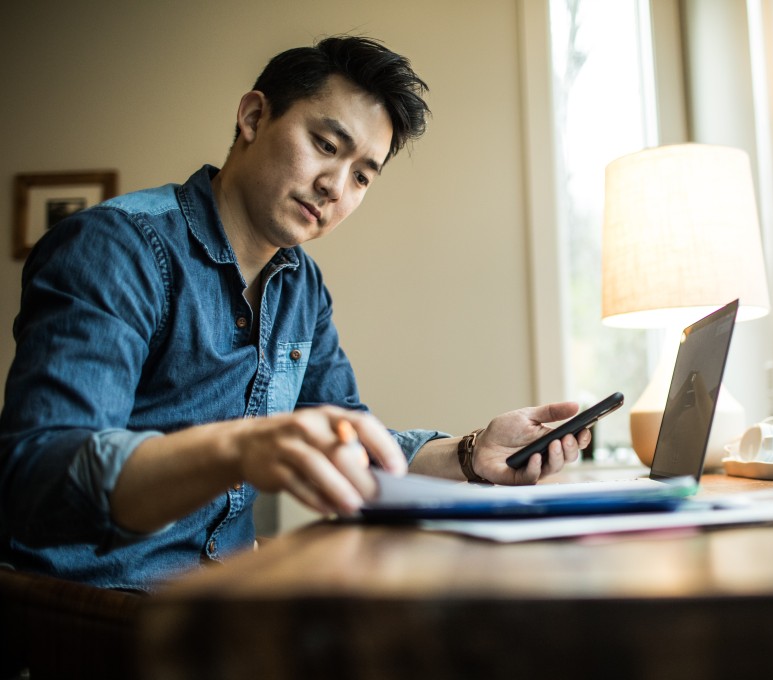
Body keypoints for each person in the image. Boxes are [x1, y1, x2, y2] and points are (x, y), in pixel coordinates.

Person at [0, 35, 589, 592]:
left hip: (224, 608)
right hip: (90, 614)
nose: (336, 186)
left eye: (362, 175)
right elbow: (39, 481)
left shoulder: (301, 285)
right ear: (254, 117)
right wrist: (235, 449)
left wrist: (474, 452)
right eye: (326, 146)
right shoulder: (116, 248)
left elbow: (351, 439)